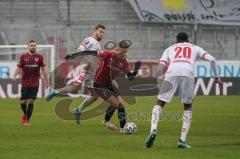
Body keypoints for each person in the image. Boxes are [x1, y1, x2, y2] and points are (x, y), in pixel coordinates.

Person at [145, 32, 223, 148]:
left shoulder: (170, 49)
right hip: (188, 73)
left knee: (160, 102)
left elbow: (161, 66)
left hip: (172, 72)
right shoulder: (195, 48)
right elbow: (212, 59)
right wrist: (216, 78)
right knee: (187, 106)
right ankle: (182, 140)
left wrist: (159, 81)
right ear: (188, 39)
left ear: (177, 40)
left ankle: (153, 129)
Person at [45, 24, 105, 108]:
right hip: (85, 66)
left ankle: (78, 110)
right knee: (76, 87)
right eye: (100, 32)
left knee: (94, 95)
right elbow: (80, 49)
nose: (102, 34)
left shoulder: (97, 44)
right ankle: (55, 92)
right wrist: (74, 55)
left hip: (92, 71)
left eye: (103, 32)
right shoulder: (89, 40)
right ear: (95, 30)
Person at [92, 40, 141, 132]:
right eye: (122, 51)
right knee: (119, 105)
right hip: (99, 84)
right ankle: (123, 128)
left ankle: (106, 121)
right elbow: (94, 54)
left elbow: (130, 77)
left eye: (125, 52)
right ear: (117, 49)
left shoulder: (123, 62)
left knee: (115, 104)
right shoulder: (108, 54)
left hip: (108, 84)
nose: (123, 54)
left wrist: (136, 69)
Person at [13, 40, 49, 126]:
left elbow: (43, 69)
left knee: (30, 102)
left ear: (36, 47)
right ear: (28, 46)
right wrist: (14, 76)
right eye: (32, 45)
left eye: (34, 45)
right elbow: (18, 67)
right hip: (25, 83)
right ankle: (25, 114)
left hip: (35, 83)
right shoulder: (23, 57)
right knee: (23, 102)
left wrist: (47, 81)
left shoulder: (40, 57)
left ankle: (27, 120)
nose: (33, 47)